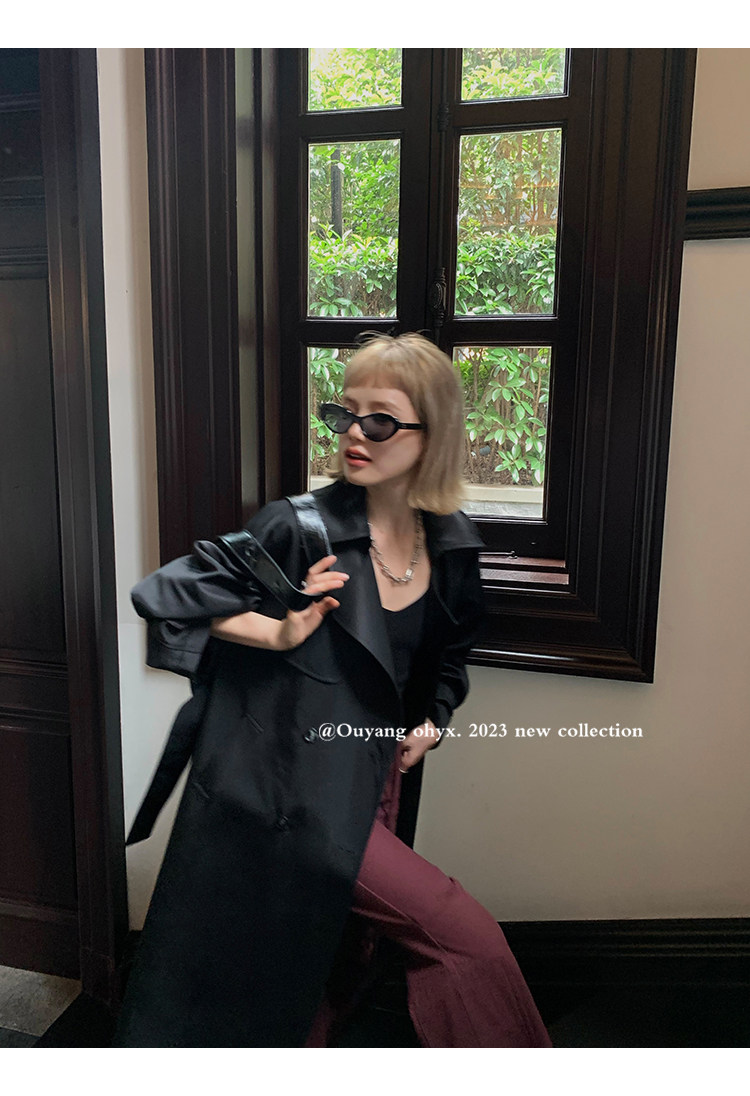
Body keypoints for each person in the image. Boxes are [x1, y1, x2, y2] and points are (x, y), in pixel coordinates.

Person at [112, 333, 552, 1048]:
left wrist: (432, 722)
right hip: (293, 795)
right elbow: (167, 594)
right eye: (343, 413)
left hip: (376, 779)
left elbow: (447, 657)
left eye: (379, 420)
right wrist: (280, 631)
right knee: (461, 935)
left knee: (321, 963)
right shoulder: (297, 527)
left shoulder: (449, 544)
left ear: (432, 435)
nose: (352, 433)